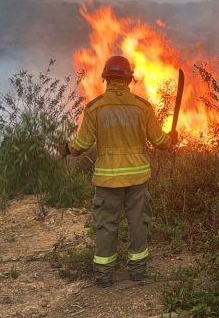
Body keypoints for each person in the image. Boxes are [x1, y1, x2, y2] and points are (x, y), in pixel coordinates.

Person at [58, 55, 176, 287]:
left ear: (105, 79)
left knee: (106, 225)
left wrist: (66, 149)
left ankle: (103, 275)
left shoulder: (95, 108)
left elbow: (81, 145)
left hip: (107, 182)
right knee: (138, 223)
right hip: (137, 179)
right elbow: (160, 141)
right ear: (129, 79)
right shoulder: (143, 107)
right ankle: (137, 272)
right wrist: (171, 138)